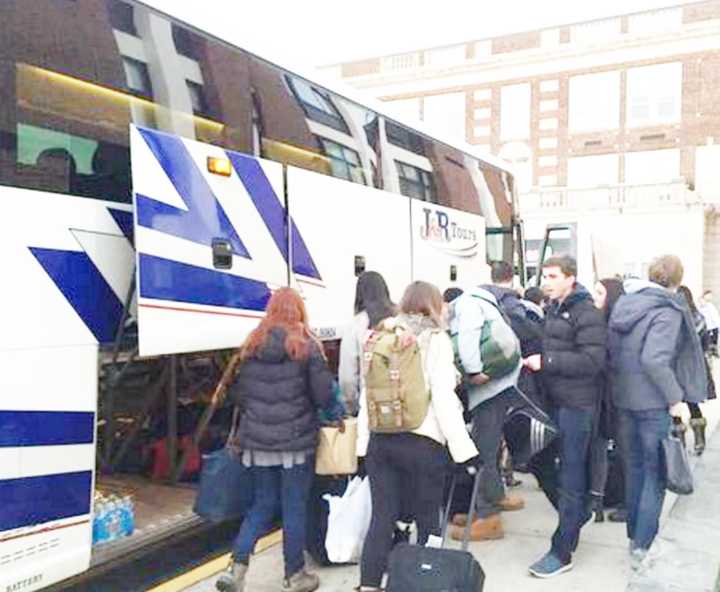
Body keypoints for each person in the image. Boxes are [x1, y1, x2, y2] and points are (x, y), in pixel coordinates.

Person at [356, 281, 479, 592]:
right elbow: (442, 397)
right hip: (423, 443)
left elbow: (366, 397)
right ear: (434, 305)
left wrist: (360, 448)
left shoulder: (379, 336)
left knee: (382, 519)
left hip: (381, 442)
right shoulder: (435, 340)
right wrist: (464, 451)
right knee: (428, 519)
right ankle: (425, 583)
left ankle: (369, 585)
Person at [216, 288, 335, 592]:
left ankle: (236, 570)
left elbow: (237, 395)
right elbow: (323, 396)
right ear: (298, 311)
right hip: (295, 444)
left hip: (257, 444)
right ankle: (294, 576)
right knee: (294, 506)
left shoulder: (251, 345)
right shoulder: (307, 346)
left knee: (261, 504)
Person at [608, 256, 706, 570]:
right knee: (656, 474)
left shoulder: (625, 304)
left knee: (636, 470)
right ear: (678, 280)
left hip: (624, 399)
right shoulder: (667, 309)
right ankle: (643, 545)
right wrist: (675, 399)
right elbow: (654, 359)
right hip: (651, 403)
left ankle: (635, 539)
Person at [524, 255, 607, 578]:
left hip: (578, 406)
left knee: (572, 476)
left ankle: (562, 550)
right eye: (545, 275)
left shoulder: (585, 312)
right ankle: (575, 515)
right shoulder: (554, 308)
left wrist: (547, 362)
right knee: (539, 461)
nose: (547, 281)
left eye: (554, 275)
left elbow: (592, 361)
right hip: (555, 403)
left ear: (570, 278)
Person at [447, 279, 523, 542]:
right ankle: (496, 497)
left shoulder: (467, 305)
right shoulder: (487, 304)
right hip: (504, 384)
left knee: (482, 450)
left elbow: (468, 340)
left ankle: (488, 517)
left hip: (489, 388)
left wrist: (472, 371)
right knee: (490, 446)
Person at [590, 278, 626, 523]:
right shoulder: (598, 321)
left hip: (616, 395)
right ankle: (598, 497)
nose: (595, 298)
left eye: (600, 293)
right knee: (598, 445)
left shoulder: (618, 325)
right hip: (599, 395)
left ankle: (624, 498)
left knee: (623, 448)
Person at [338, 271, 396, 415]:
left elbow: (347, 378)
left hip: (371, 408)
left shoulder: (355, 325)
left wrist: (352, 406)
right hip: (403, 404)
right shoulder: (400, 319)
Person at [677, 285, 715, 455]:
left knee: (675, 404)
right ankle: (699, 441)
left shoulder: (674, 318)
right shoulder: (699, 317)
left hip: (678, 365)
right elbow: (706, 343)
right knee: (693, 404)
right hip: (695, 365)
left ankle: (679, 443)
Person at [699, 290, 720, 356]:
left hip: (713, 328)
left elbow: (716, 318)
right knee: (708, 344)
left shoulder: (711, 307)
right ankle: (709, 353)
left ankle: (714, 352)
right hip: (707, 328)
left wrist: (718, 326)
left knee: (713, 343)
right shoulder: (700, 308)